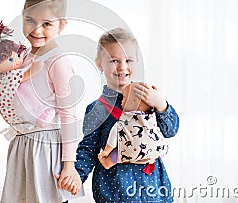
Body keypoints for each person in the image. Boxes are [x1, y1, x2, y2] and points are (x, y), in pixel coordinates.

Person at [0, 0, 83, 203]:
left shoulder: (58, 61)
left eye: (47, 24)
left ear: (62, 25)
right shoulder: (22, 57)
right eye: (30, 20)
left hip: (45, 151)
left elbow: (68, 115)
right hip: (22, 146)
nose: (37, 30)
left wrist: (69, 165)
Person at [74, 27, 179, 202]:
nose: (122, 67)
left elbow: (171, 130)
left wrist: (161, 104)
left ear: (137, 61)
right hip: (115, 192)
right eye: (114, 60)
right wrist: (76, 176)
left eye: (128, 60)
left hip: (153, 190)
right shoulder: (96, 109)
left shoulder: (150, 98)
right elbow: (88, 150)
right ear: (100, 64)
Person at [0, 21, 55, 128]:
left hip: (10, 114)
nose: (18, 61)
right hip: (17, 110)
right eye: (10, 59)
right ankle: (40, 117)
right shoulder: (9, 75)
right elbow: (28, 74)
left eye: (18, 56)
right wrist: (36, 66)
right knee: (26, 92)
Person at [97, 83, 169, 170]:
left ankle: (107, 163)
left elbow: (113, 137)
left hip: (131, 150)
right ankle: (149, 158)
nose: (121, 102)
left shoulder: (125, 119)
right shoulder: (152, 116)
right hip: (157, 150)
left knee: (118, 153)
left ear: (133, 101)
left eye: (123, 98)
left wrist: (106, 151)